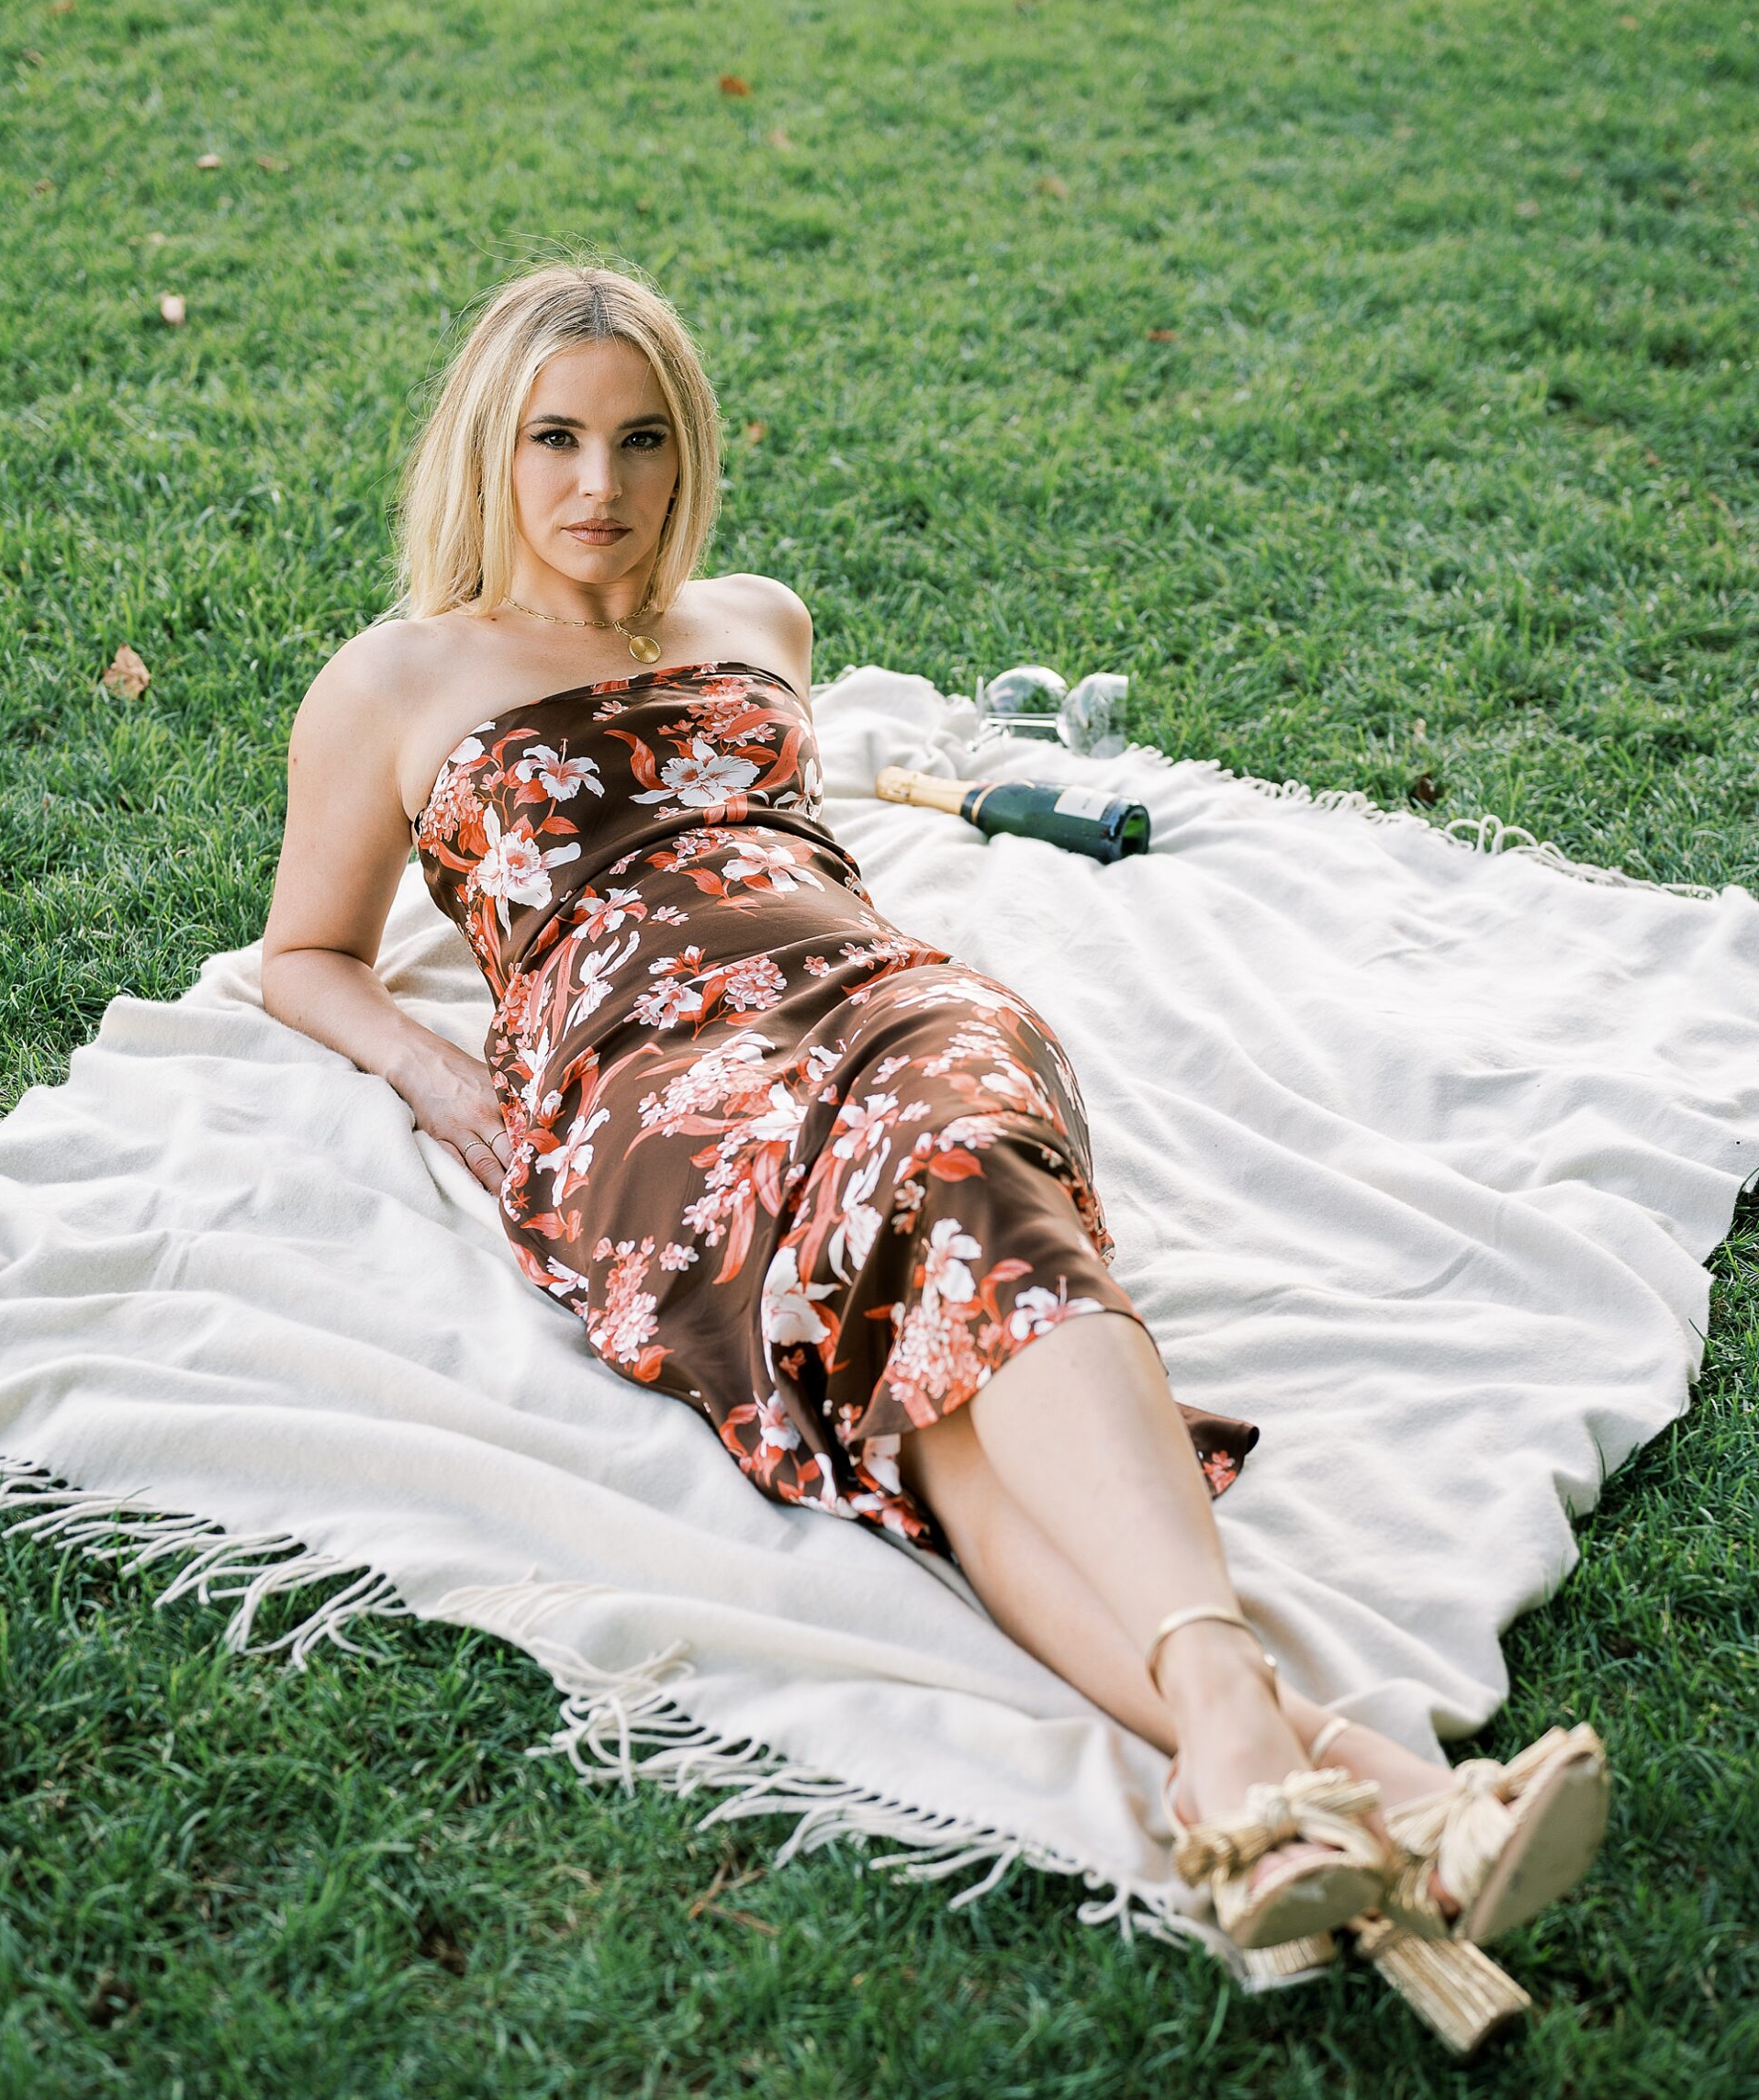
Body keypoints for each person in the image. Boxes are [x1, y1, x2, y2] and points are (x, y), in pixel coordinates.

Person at [259, 257, 1607, 1954]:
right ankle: (1308, 1756)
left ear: (691, 454)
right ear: (486, 449)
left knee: (955, 1306)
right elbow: (304, 956)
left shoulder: (758, 624)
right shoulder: (394, 682)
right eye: (553, 440)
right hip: (651, 1082)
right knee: (946, 1300)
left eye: (641, 440)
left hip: (887, 1000)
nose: (598, 489)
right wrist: (446, 1077)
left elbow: (787, 853)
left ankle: (1249, 1770)